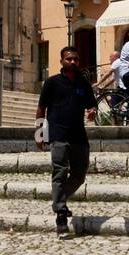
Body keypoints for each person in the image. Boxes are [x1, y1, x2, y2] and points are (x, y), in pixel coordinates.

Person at [36, 46, 96, 239]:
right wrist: (39, 134)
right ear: (61, 60)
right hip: (58, 134)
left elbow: (91, 104)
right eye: (69, 59)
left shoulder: (83, 83)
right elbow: (41, 108)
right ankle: (61, 214)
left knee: (79, 175)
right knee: (60, 172)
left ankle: (57, 200)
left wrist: (92, 111)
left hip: (78, 135)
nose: (73, 62)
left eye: (76, 59)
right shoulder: (51, 83)